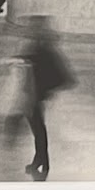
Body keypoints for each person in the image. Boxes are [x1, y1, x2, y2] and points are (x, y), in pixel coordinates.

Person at [19, 17, 73, 179]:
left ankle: (41, 159)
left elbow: (36, 68)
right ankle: (41, 159)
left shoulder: (41, 49)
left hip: (36, 94)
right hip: (37, 93)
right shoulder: (42, 48)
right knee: (38, 127)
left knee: (38, 128)